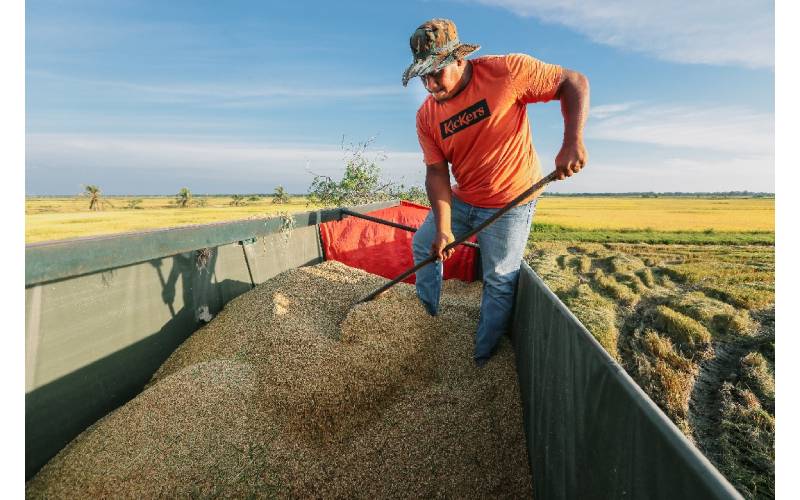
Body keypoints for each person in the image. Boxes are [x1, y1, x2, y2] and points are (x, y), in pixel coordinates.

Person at [402, 18, 589, 367]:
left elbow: (573, 82)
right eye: (422, 76)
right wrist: (444, 227)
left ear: (459, 59)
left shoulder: (507, 72)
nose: (429, 85)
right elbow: (436, 172)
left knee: (499, 279)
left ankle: (481, 358)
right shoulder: (427, 116)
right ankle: (426, 321)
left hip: (511, 200)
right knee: (423, 246)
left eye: (435, 73)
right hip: (463, 196)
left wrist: (572, 141)